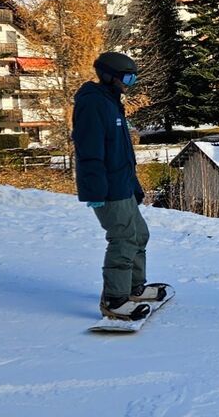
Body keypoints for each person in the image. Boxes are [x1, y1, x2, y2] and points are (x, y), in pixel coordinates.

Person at [72, 52, 166, 321]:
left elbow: (122, 151)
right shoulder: (92, 104)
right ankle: (115, 300)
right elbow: (89, 151)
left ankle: (133, 288)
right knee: (123, 239)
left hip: (122, 183)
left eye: (133, 78)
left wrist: (134, 183)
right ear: (108, 75)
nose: (130, 83)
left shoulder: (112, 103)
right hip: (108, 189)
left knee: (140, 234)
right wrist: (95, 192)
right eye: (127, 78)